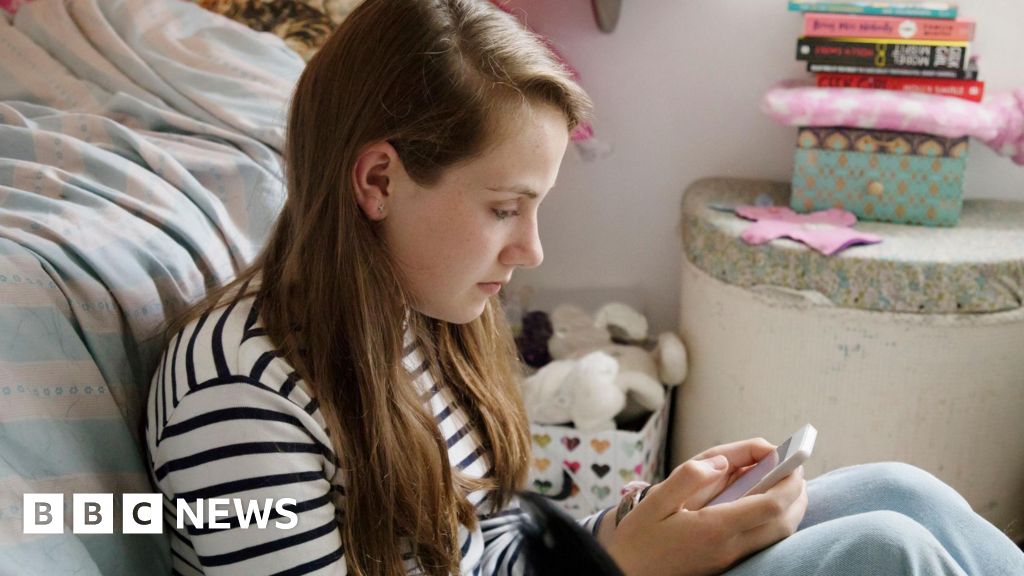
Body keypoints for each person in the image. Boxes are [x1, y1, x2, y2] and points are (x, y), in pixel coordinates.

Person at [144, 0, 1024, 575]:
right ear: (378, 181)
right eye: (503, 208)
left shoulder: (417, 315)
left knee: (902, 493)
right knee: (884, 551)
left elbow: (482, 548)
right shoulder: (240, 395)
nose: (530, 249)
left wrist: (625, 530)